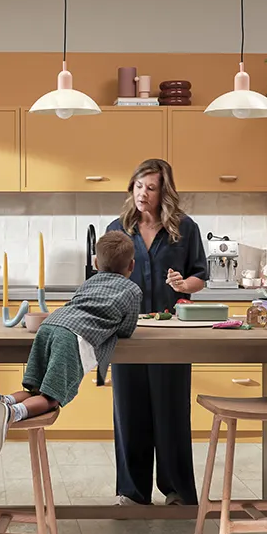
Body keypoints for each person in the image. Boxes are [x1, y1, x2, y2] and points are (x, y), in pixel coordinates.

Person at [0, 231, 141, 461]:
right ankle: (12, 413)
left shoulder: (89, 283)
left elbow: (73, 305)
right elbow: (126, 330)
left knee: (36, 390)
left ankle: (3, 400)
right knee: (51, 399)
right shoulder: (132, 291)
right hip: (73, 337)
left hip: (50, 327)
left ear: (97, 263)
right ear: (132, 265)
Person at [106, 158, 208, 507]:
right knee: (129, 411)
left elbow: (199, 277)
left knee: (172, 412)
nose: (142, 194)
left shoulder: (185, 228)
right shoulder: (117, 228)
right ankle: (132, 492)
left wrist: (184, 283)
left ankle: (177, 490)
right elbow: (105, 278)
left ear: (164, 192)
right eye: (138, 186)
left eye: (150, 188)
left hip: (170, 333)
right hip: (127, 332)